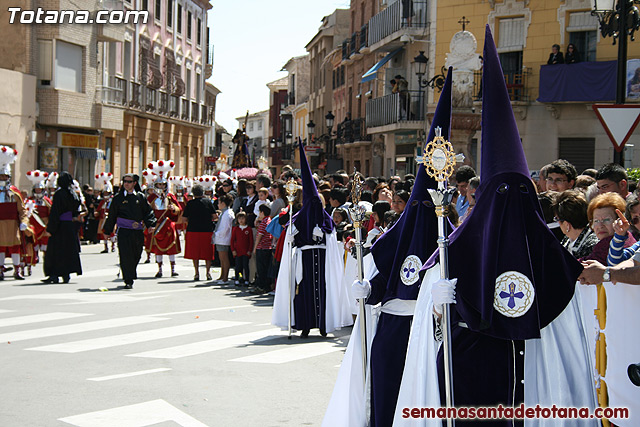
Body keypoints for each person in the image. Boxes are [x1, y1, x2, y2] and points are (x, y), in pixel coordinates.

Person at [394, 26, 597, 426]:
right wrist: (438, 301)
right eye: (501, 194)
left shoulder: (549, 251)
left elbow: (568, 327)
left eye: (520, 194)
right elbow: (432, 316)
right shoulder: (455, 246)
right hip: (471, 370)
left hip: (534, 377)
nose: (509, 205)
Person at [324, 70, 453, 427]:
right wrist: (370, 288)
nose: (422, 213)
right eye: (417, 207)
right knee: (387, 383)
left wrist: (446, 297)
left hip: (433, 327)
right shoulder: (396, 235)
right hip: (395, 325)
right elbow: (387, 277)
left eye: (429, 207)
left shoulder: (452, 237)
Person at [273, 140, 352, 337]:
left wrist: (325, 234)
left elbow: (333, 236)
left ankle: (323, 324)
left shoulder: (325, 219)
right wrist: (291, 235)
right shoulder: (298, 217)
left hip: (323, 260)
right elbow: (290, 236)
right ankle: (305, 324)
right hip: (304, 259)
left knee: (323, 291)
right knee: (304, 291)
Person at [102, 173, 156, 289]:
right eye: (125, 181)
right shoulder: (118, 198)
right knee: (125, 255)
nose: (126, 184)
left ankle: (131, 272)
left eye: (129, 182)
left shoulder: (140, 197)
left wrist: (151, 224)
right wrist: (107, 231)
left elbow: (148, 212)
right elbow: (111, 216)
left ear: (134, 183)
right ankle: (128, 279)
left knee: (136, 254)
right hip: (123, 231)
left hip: (137, 231)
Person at [43, 172, 84, 284]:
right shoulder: (74, 194)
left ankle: (54, 274)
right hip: (69, 225)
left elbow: (55, 212)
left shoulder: (59, 194)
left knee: (55, 251)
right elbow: (77, 210)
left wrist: (51, 228)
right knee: (68, 250)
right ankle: (66, 274)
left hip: (59, 226)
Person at [579, 188, 636, 265]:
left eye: (606, 220)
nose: (600, 226)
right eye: (596, 220)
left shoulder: (607, 244)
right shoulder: (628, 236)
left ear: (620, 220)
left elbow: (577, 267)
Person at [147, 160, 182, 278]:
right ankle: (159, 269)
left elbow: (179, 209)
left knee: (171, 248)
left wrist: (173, 208)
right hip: (157, 225)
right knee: (158, 249)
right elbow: (147, 210)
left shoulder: (170, 196)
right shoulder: (151, 197)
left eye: (163, 185)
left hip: (168, 225)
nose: (161, 187)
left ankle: (173, 269)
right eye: (159, 185)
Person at [0, 146, 29, 280]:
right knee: (0, 247)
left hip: (13, 224)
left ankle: (17, 270)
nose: (2, 178)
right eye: (1, 175)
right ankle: (0, 270)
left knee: (15, 247)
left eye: (5, 175)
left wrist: (24, 222)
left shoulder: (14, 192)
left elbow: (22, 209)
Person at [182, 183, 216, 281]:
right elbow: (214, 216)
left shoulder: (190, 203)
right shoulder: (208, 202)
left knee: (194, 253)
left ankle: (196, 273)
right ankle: (208, 272)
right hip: (206, 230)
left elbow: (184, 219)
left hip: (193, 230)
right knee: (207, 252)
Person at [552, 190, 599, 259]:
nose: (558, 223)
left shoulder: (592, 245)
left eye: (557, 219)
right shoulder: (567, 239)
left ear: (566, 224)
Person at [213, 193, 235, 284]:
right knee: (221, 258)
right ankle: (222, 275)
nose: (218, 205)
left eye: (219, 203)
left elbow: (225, 228)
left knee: (224, 258)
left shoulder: (227, 214)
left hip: (223, 238)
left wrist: (217, 234)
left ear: (223, 203)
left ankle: (225, 277)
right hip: (220, 238)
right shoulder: (224, 213)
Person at [253, 203, 273, 293]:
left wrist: (255, 248)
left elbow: (259, 236)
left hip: (262, 247)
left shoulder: (264, 222)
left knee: (261, 269)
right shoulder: (269, 220)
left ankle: (261, 286)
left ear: (262, 212)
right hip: (268, 247)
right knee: (266, 268)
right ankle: (266, 286)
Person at [94, 173, 116, 253]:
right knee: (103, 232)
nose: (105, 194)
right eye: (105, 193)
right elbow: (99, 209)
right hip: (103, 219)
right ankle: (106, 247)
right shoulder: (102, 201)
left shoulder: (113, 201)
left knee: (112, 232)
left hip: (110, 219)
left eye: (107, 193)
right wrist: (97, 213)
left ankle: (113, 245)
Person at [231, 211, 253, 286]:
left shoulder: (248, 229)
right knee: (238, 266)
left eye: (242, 218)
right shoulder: (236, 229)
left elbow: (251, 241)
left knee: (245, 266)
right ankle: (238, 278)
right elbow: (232, 240)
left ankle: (246, 279)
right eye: (239, 218)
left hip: (246, 251)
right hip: (238, 251)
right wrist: (233, 250)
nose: (241, 220)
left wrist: (250, 250)